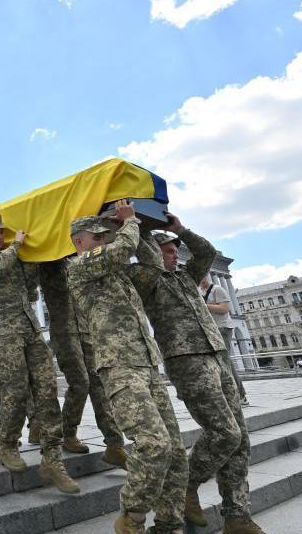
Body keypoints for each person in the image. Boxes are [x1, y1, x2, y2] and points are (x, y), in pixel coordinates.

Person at [134, 214, 262, 534]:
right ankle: (185, 486)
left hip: (217, 355)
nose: (174, 253)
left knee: (240, 438)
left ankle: (237, 515)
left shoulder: (186, 276)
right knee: (225, 433)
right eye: (166, 249)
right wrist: (139, 230)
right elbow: (145, 260)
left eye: (175, 249)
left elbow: (204, 253)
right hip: (188, 362)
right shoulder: (145, 279)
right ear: (150, 251)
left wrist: (179, 230)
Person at [68, 206, 187, 534]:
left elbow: (151, 264)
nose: (106, 241)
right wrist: (130, 221)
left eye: (107, 236)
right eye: (99, 236)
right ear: (81, 241)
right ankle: (132, 517)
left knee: (175, 450)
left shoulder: (118, 272)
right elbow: (122, 249)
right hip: (120, 366)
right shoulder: (79, 266)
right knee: (154, 443)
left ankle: (168, 524)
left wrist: (145, 231)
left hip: (147, 364)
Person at [0, 213, 78, 494]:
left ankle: (52, 458)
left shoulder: (13, 257)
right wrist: (16, 246)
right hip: (2, 332)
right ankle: (7, 445)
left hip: (30, 329)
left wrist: (34, 255)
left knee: (47, 389)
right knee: (15, 390)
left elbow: (31, 292)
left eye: (2, 232)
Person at [37, 258, 128, 468]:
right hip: (65, 332)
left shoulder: (76, 262)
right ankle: (67, 433)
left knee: (99, 385)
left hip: (86, 330)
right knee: (80, 383)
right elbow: (61, 285)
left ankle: (114, 444)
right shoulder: (49, 265)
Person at [201, 277, 250, 406]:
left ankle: (241, 395)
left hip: (223, 328)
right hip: (211, 329)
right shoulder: (200, 291)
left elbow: (224, 309)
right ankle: (230, 394)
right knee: (220, 361)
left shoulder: (217, 289)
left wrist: (204, 306)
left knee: (225, 361)